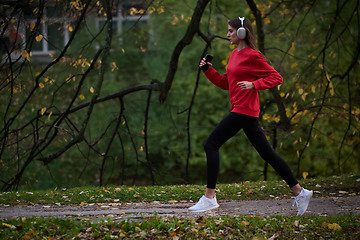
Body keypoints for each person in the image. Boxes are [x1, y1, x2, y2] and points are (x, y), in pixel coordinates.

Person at [188, 17, 313, 216]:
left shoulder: (253, 56)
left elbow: (276, 77)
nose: (227, 34)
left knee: (210, 144)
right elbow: (226, 83)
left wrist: (254, 85)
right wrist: (207, 70)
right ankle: (300, 192)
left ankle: (210, 198)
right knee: (267, 154)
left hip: (243, 110)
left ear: (241, 33)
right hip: (242, 109)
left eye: (230, 31)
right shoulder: (233, 55)